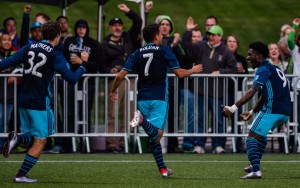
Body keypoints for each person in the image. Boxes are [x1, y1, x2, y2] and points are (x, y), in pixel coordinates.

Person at [0, 21, 89, 183]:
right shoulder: (55, 55)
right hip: (39, 101)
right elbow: (72, 79)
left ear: (42, 34)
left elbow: (7, 62)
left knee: (32, 134)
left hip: (23, 99)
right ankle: (20, 175)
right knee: (41, 140)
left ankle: (18, 139)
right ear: (58, 35)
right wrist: (83, 64)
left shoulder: (29, 47)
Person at [109, 23, 201, 178]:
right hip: (159, 98)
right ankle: (141, 120)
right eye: (160, 33)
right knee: (157, 135)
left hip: (142, 99)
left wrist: (113, 90)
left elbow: (119, 76)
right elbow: (179, 73)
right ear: (156, 36)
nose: (162, 36)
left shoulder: (137, 52)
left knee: (153, 138)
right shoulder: (164, 50)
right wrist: (193, 70)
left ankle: (163, 169)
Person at [223, 41, 291, 179]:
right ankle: (255, 164)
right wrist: (252, 112)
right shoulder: (274, 68)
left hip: (272, 110)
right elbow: (264, 95)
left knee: (251, 139)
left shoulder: (263, 69)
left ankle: (256, 170)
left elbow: (251, 92)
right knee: (260, 136)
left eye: (250, 55)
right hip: (284, 112)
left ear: (259, 55)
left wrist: (232, 108)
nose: (247, 58)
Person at [184, 24, 236, 154]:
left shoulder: (225, 51)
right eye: (209, 34)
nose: (210, 37)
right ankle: (199, 144)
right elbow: (187, 47)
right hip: (201, 89)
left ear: (220, 36)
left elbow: (233, 68)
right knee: (200, 117)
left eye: (213, 35)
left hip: (217, 92)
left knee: (218, 119)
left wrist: (221, 72)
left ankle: (218, 145)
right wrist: (188, 31)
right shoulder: (201, 46)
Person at [102, 3, 142, 153]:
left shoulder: (128, 37)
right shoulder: (105, 44)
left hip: (130, 79)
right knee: (113, 113)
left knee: (130, 113)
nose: (117, 28)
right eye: (114, 25)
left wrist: (128, 11)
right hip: (116, 81)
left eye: (119, 25)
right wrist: (109, 70)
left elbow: (138, 21)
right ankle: (112, 143)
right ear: (110, 28)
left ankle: (126, 140)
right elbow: (102, 63)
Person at [62, 19, 105, 153]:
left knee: (85, 112)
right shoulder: (69, 42)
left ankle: (84, 143)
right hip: (70, 81)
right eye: (79, 27)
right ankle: (68, 144)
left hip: (88, 83)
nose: (81, 30)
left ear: (87, 29)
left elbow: (99, 65)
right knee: (69, 112)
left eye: (83, 27)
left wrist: (83, 62)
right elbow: (62, 59)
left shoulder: (93, 44)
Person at [226, 35, 249, 152]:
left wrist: (242, 71)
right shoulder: (223, 57)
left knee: (238, 118)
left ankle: (238, 144)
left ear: (237, 44)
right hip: (224, 92)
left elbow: (246, 74)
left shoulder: (241, 59)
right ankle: (220, 144)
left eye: (234, 41)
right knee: (223, 117)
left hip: (238, 92)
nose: (231, 43)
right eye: (229, 41)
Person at [0, 34, 16, 147]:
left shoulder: (15, 55)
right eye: (4, 40)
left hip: (10, 96)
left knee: (6, 121)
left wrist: (14, 73)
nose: (7, 42)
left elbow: (22, 65)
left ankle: (1, 145)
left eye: (9, 40)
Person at [287, 18, 300, 153]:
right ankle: (295, 142)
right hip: (298, 88)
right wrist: (294, 26)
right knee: (296, 117)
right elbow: (290, 40)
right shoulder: (295, 51)